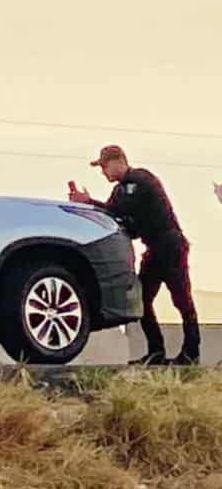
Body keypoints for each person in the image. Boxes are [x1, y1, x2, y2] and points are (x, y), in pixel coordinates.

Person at [70, 145, 200, 366]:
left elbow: (117, 211)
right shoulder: (121, 189)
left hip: (169, 246)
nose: (103, 172)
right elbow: (117, 218)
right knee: (142, 300)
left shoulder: (138, 179)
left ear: (118, 161)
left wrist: (89, 203)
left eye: (104, 166)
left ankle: (191, 353)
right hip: (155, 249)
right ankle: (156, 351)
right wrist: (88, 206)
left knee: (182, 300)